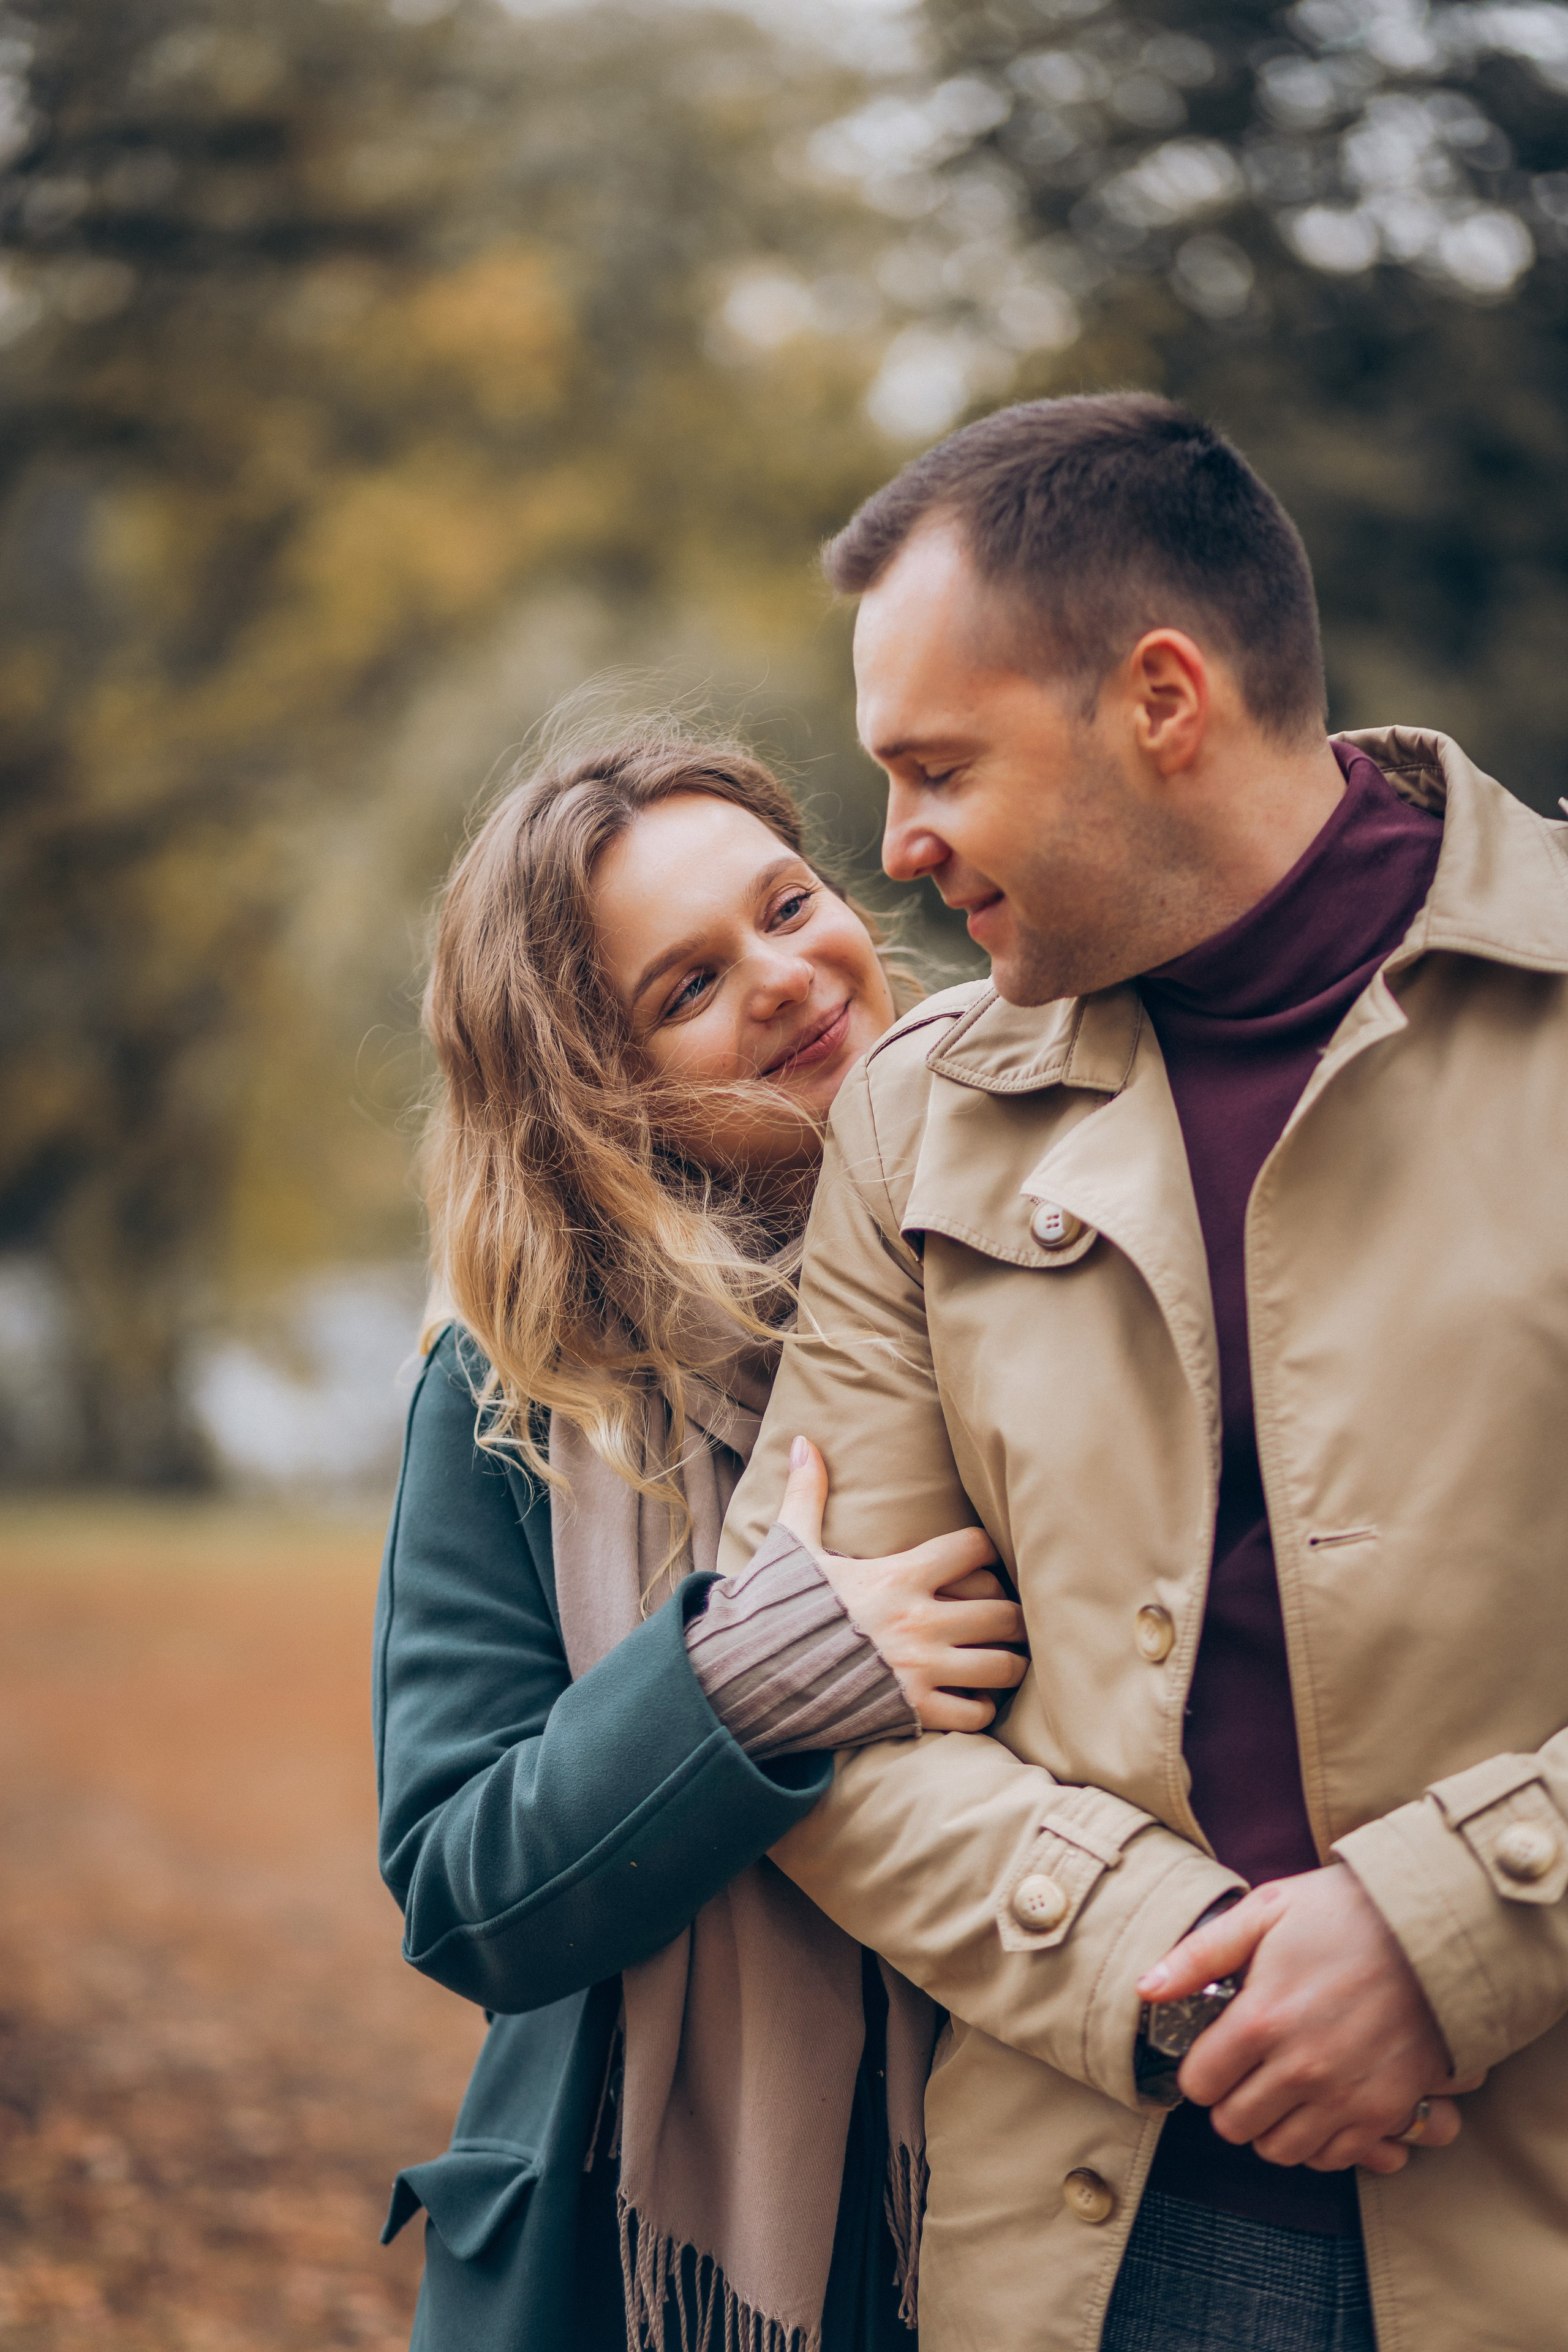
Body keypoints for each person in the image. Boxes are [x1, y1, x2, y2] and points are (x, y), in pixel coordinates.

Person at [720, 391, 1568, 2352]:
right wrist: (1175, 1962)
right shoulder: (914, 1124)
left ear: (1163, 701)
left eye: (939, 768)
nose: (894, 850)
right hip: (1101, 2246)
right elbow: (810, 1708)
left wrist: (1456, 1930)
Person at [372, 723, 1027, 2351]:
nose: (788, 979)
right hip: (635, 2256)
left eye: (788, 906)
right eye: (688, 987)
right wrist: (747, 1680)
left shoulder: (1055, 1213)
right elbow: (461, 1883)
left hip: (1031, 2182)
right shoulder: (521, 1383)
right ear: (594, 1098)